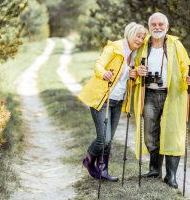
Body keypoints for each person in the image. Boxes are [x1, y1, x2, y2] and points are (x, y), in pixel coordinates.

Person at [133, 12, 190, 188]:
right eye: (153, 24)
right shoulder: (143, 46)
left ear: (167, 27)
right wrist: (138, 71)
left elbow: (187, 68)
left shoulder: (176, 45)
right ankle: (154, 170)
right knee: (150, 134)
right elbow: (134, 68)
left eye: (161, 24)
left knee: (173, 134)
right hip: (150, 95)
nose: (157, 27)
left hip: (172, 95)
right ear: (149, 27)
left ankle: (171, 176)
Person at [77, 22, 148, 181]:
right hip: (102, 99)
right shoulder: (115, 48)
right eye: (138, 36)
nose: (141, 39)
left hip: (117, 101)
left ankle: (103, 171)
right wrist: (103, 74)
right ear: (129, 34)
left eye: (143, 37)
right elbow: (99, 65)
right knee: (105, 138)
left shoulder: (134, 54)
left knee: (109, 139)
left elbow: (127, 75)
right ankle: (88, 161)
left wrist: (135, 73)